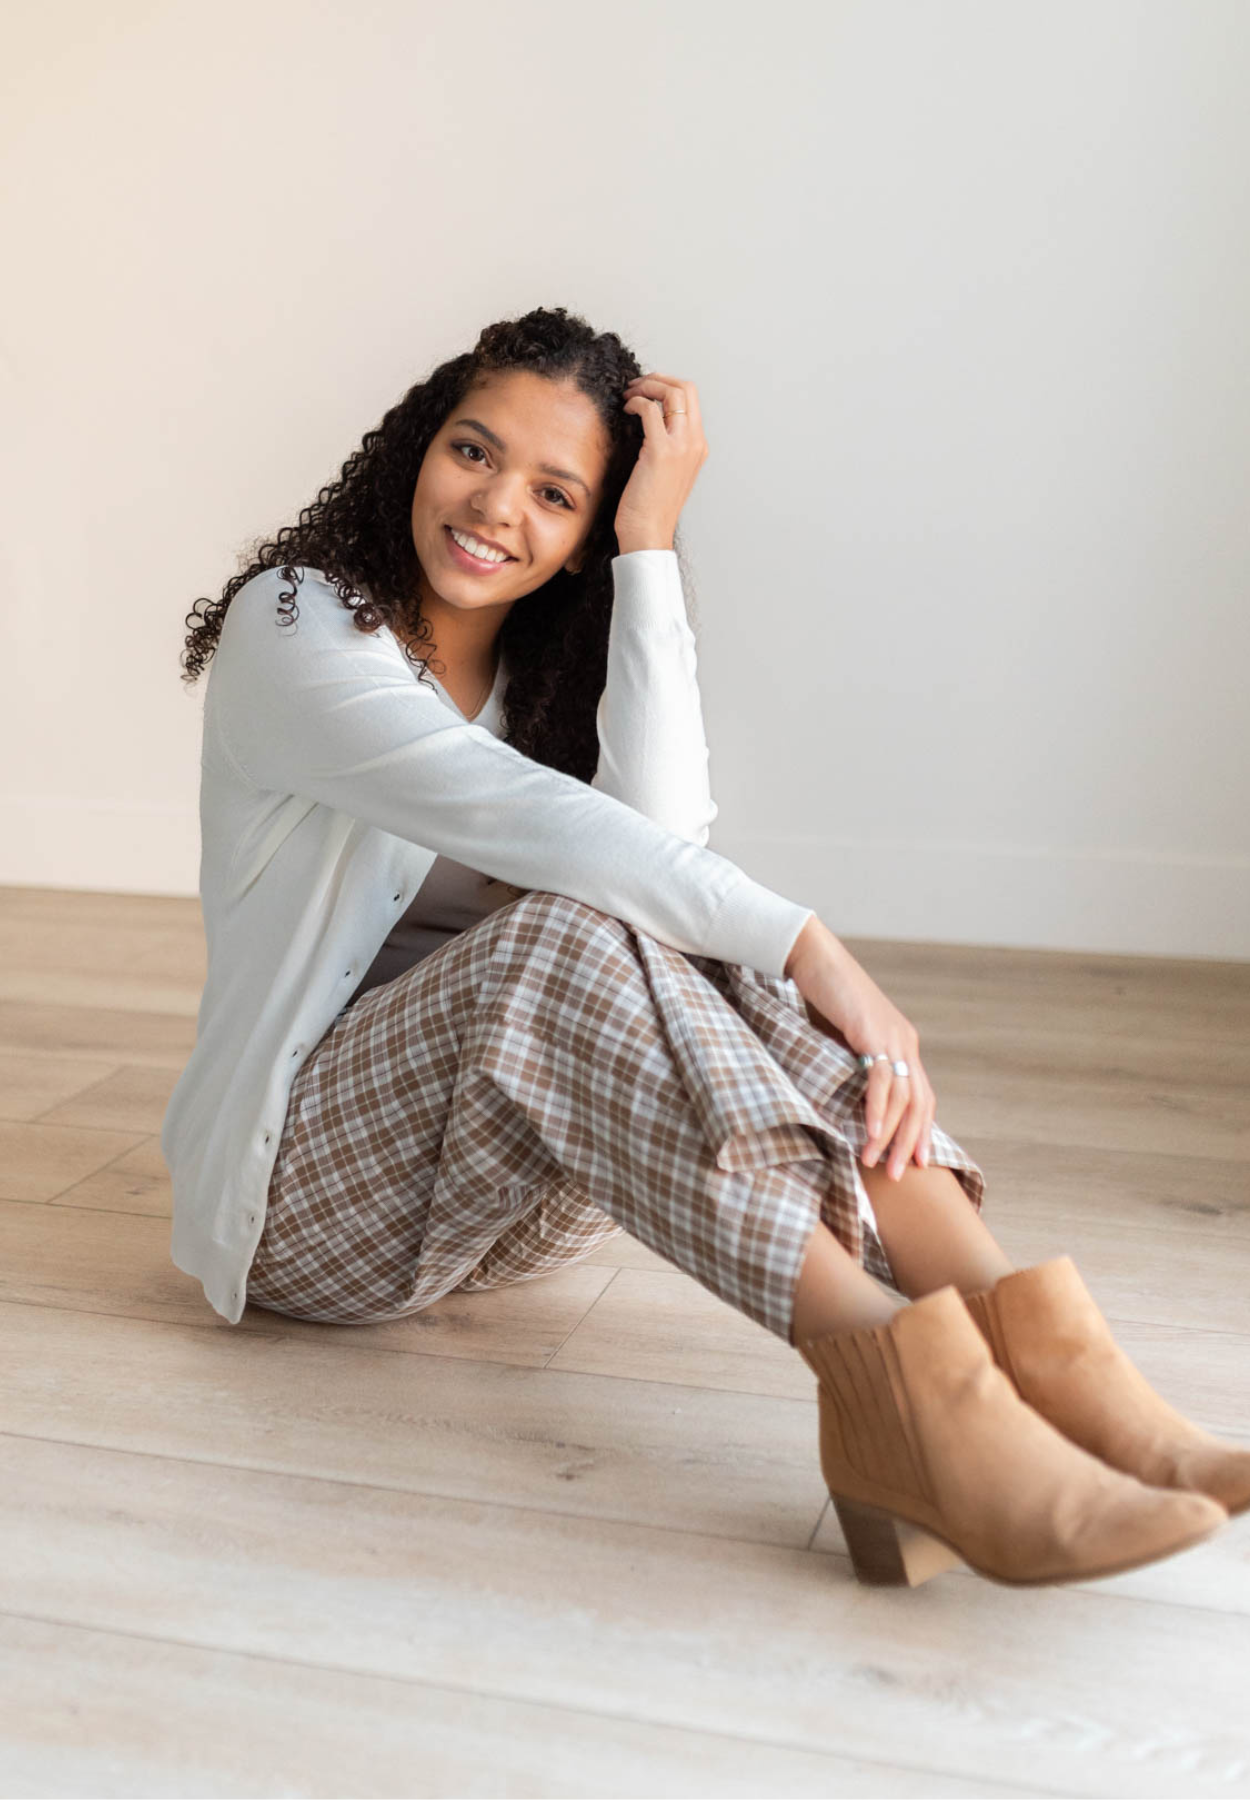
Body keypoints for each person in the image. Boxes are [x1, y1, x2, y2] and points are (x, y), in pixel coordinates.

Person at [165, 304, 1248, 1591]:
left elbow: (664, 841)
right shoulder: (295, 625)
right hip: (302, 1204)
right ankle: (898, 1393)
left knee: (673, 911)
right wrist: (809, 942)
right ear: (417, 446)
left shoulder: (542, 676)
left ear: (578, 536)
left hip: (517, 1198)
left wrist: (649, 549)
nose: (497, 504)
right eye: (473, 451)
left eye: (556, 494)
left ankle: (1039, 1357)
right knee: (587, 928)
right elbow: (520, 819)